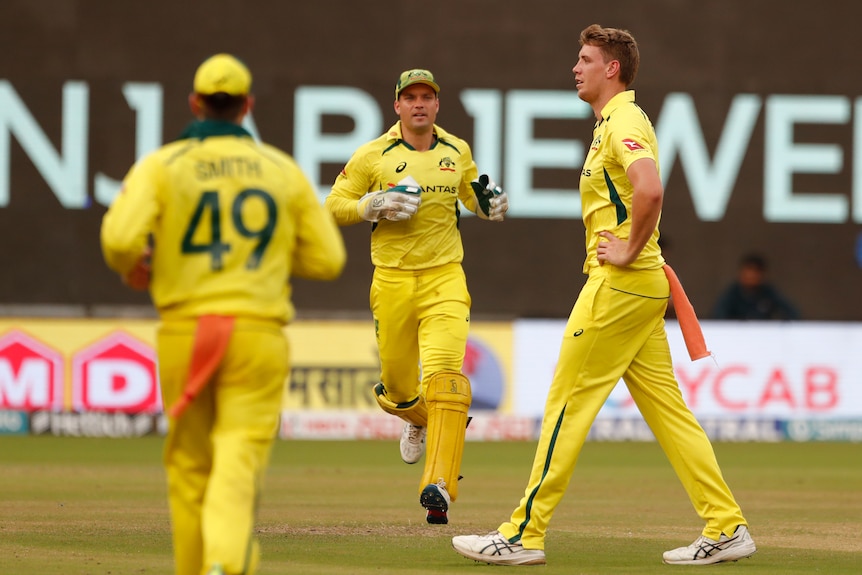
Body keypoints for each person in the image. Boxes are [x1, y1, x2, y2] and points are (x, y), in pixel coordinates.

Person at [451, 24, 757, 566]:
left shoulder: (625, 120)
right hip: (639, 286)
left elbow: (651, 189)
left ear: (611, 68)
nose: (576, 67)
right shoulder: (610, 125)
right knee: (669, 414)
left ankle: (523, 534)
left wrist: (629, 248)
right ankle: (727, 525)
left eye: (585, 58)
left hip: (619, 285)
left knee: (566, 403)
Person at [100, 53, 346, 575]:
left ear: (194, 103)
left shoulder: (162, 165)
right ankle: (228, 565)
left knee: (189, 467)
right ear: (247, 107)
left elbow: (119, 239)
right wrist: (272, 256)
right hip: (257, 332)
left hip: (186, 330)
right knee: (239, 456)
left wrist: (136, 265)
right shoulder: (281, 169)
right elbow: (328, 259)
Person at [324, 68, 508, 525]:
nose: (420, 104)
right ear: (398, 106)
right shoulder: (374, 155)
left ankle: (439, 487)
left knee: (447, 380)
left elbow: (472, 195)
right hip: (392, 280)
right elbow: (334, 204)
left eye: (428, 96)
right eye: (411, 98)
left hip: (445, 277)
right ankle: (420, 419)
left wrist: (490, 205)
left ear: (437, 104)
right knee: (397, 390)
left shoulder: (456, 150)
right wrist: (372, 205)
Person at [712, 252, 800, 320]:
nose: (751, 276)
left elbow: (792, 312)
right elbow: (719, 315)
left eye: (755, 272)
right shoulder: (732, 293)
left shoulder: (769, 292)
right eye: (748, 271)